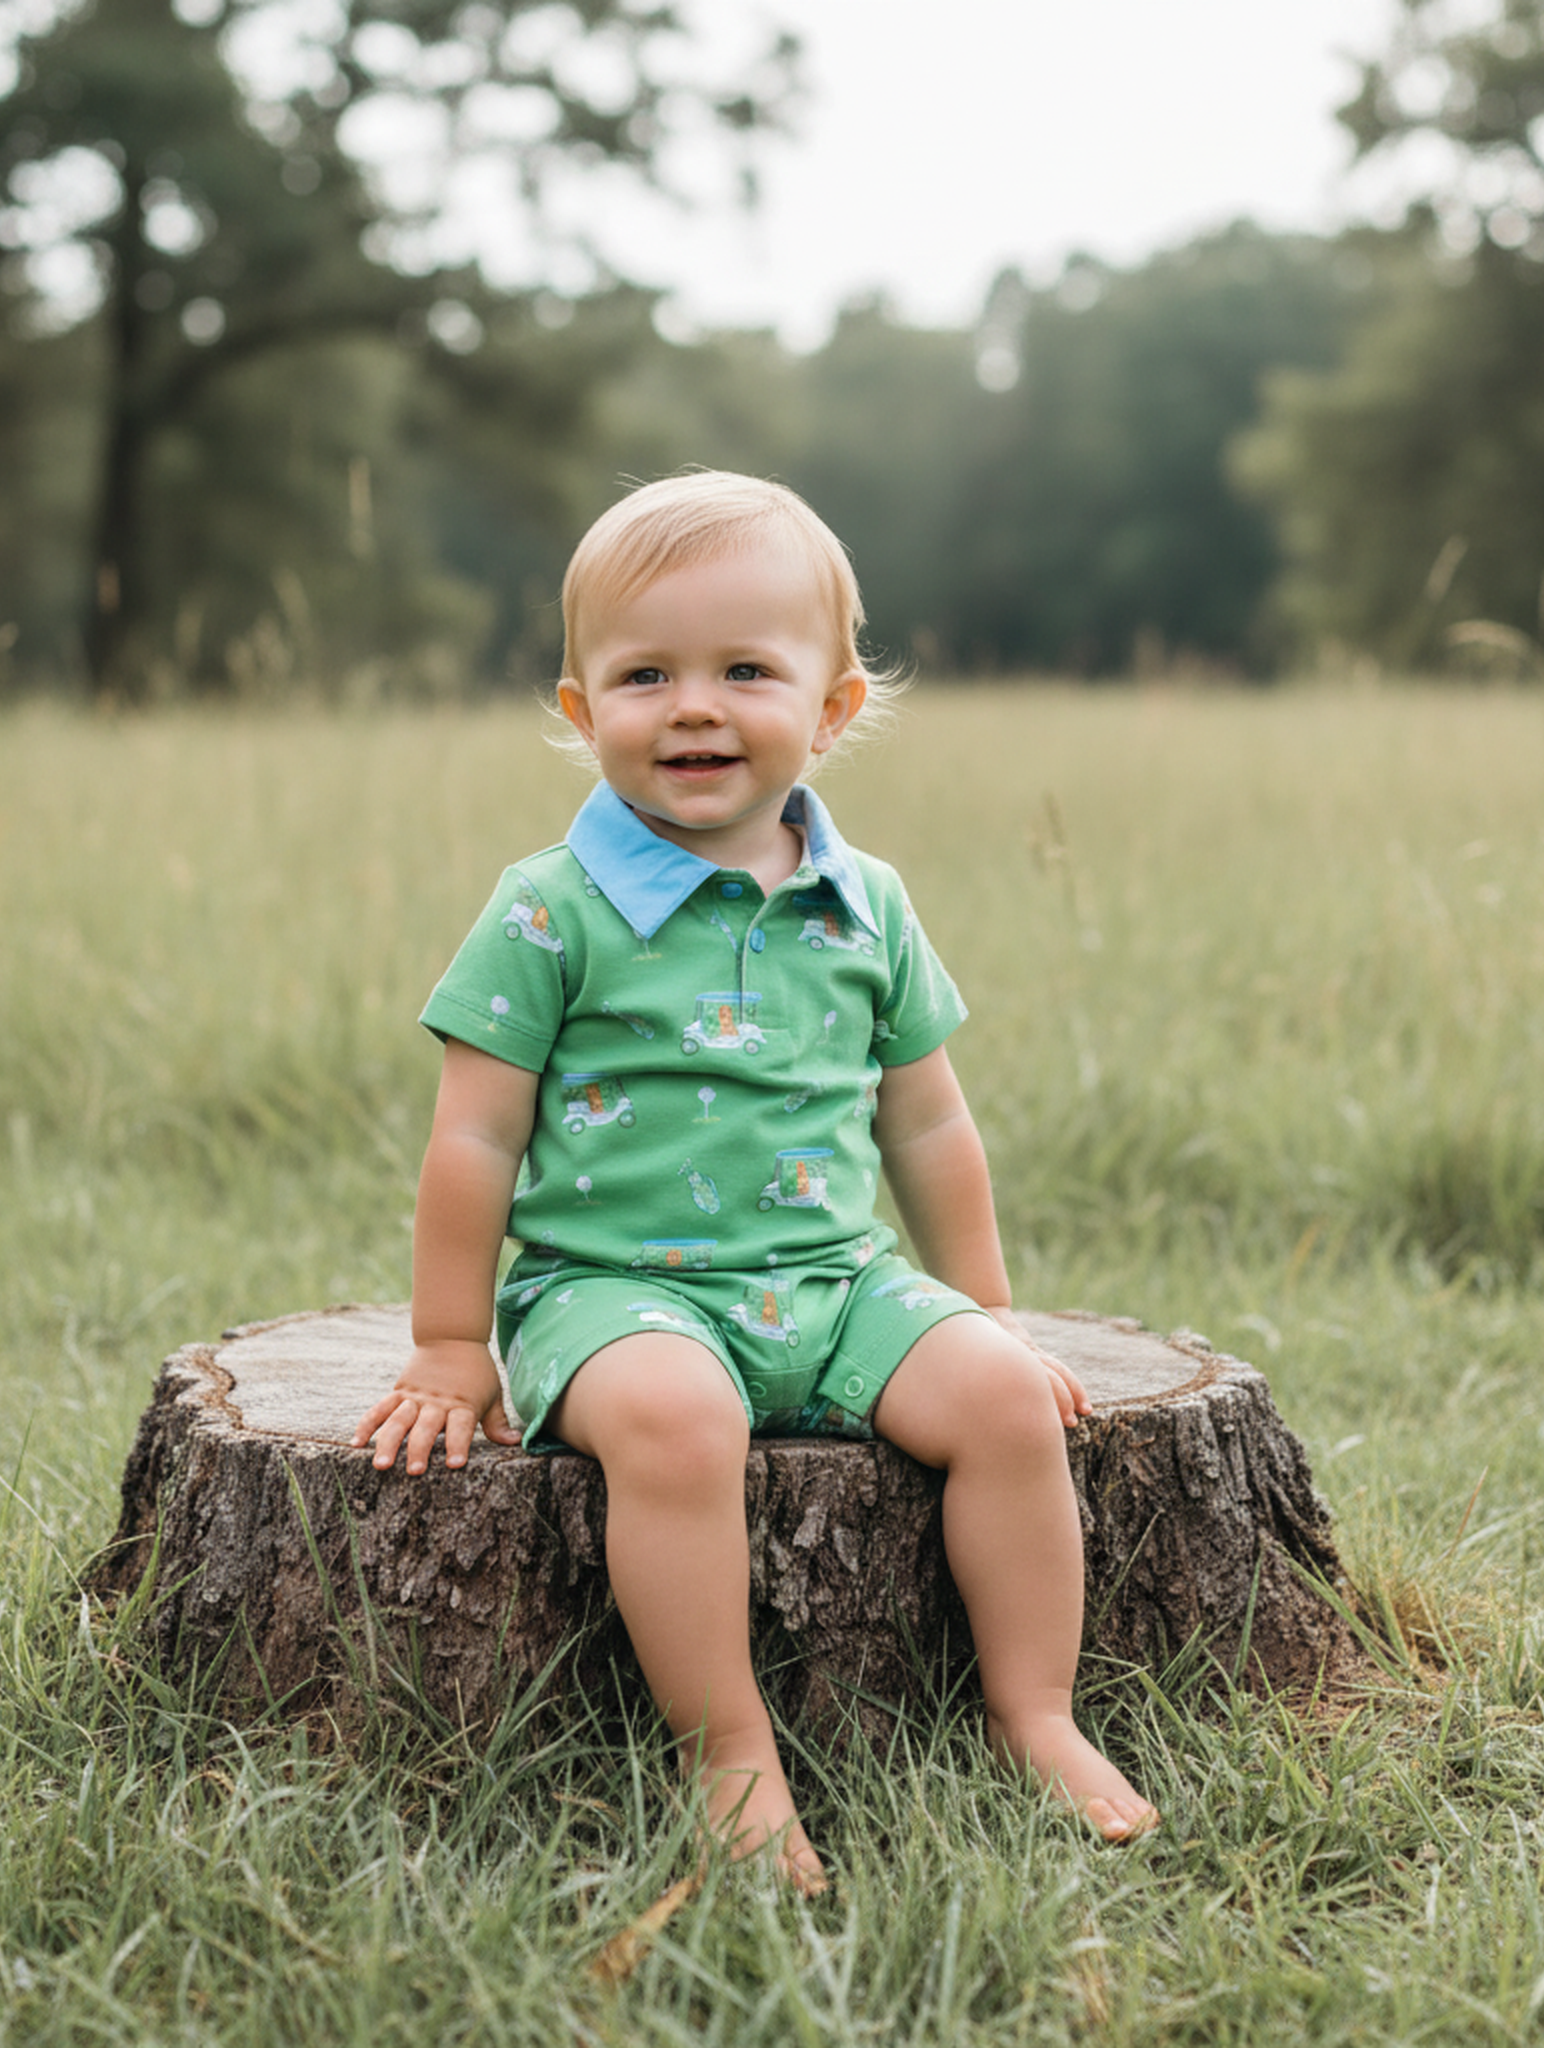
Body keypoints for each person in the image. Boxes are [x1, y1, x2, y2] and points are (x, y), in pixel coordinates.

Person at [355, 471, 1157, 1888]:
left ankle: (1036, 1711)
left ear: (833, 709)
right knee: (675, 1423)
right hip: (611, 1296)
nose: (694, 707)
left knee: (1005, 1404)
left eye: (744, 670)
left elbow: (927, 1124)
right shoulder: (549, 906)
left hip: (834, 1283)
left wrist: (983, 1308)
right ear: (577, 707)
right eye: (644, 674)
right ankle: (727, 1754)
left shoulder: (869, 901)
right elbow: (472, 1138)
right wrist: (444, 1343)